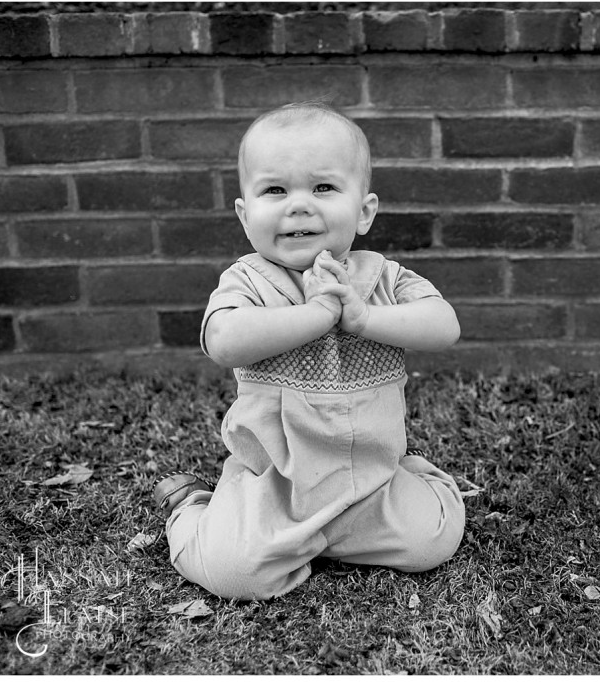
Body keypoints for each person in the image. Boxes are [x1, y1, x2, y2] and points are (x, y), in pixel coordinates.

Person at [151, 101, 465, 601]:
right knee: (236, 573)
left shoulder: (382, 277)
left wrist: (363, 318)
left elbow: (443, 325)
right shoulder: (249, 280)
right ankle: (192, 508)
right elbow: (223, 340)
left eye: (323, 187)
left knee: (432, 541)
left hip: (369, 483)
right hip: (278, 487)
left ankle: (412, 477)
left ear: (363, 211)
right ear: (245, 214)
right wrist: (315, 317)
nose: (299, 205)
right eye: (275, 190)